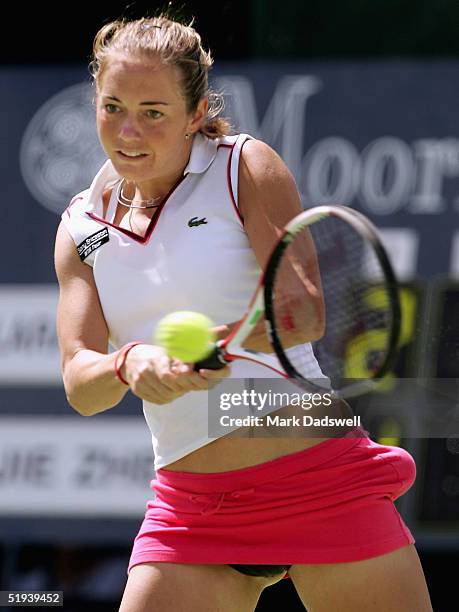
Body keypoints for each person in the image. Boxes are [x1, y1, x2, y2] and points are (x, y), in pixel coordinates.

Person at [54, 14, 433, 612]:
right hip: (192, 507)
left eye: (153, 111)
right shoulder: (80, 228)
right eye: (112, 107)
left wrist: (204, 352)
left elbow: (301, 313)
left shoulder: (244, 167)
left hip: (316, 475)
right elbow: (81, 383)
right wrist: (131, 363)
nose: (128, 130)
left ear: (196, 111)